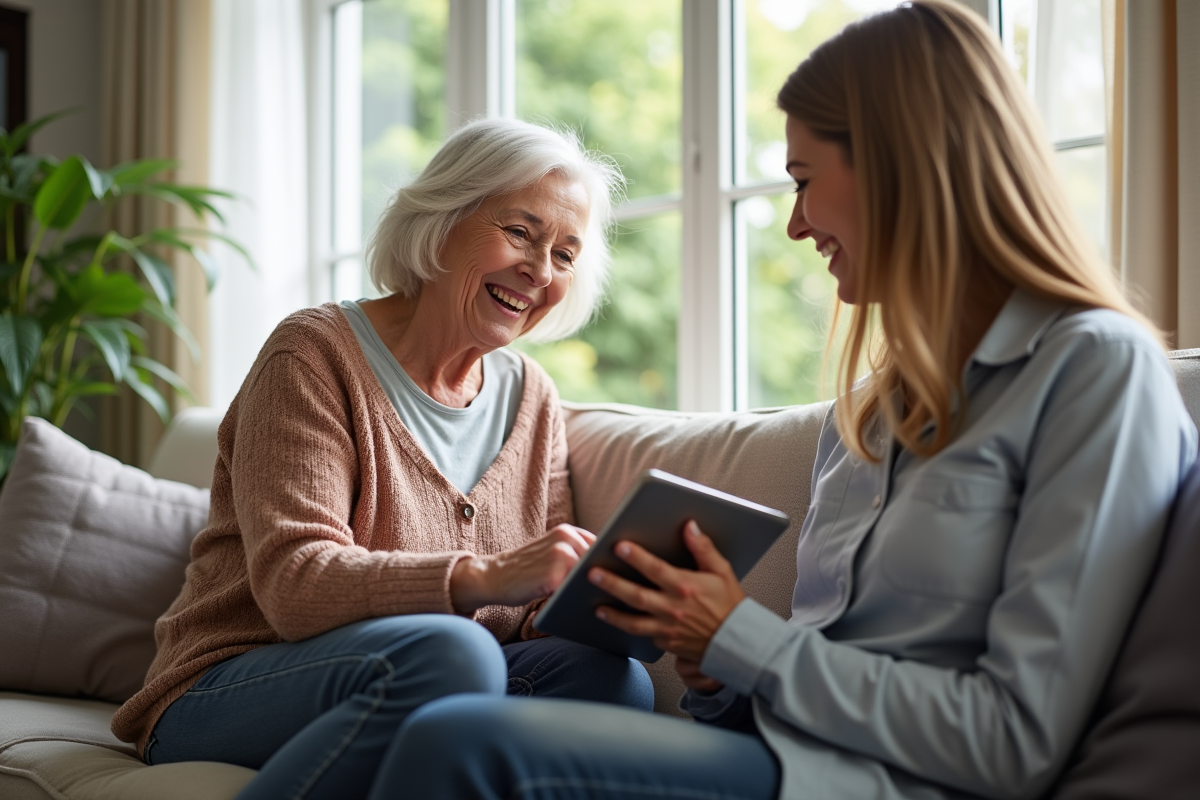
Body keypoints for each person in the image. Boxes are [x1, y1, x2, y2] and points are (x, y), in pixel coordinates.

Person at [381, 3, 1198, 799]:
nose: (796, 226)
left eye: (806, 181)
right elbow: (812, 667)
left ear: (896, 165)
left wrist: (742, 637)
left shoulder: (1092, 368)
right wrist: (715, 671)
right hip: (780, 758)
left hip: (879, 783)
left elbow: (1013, 742)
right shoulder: (877, 412)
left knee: (461, 743)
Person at [110, 118, 653, 800]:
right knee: (454, 654)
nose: (540, 270)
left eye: (565, 255)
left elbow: (522, 609)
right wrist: (488, 574)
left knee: (609, 680)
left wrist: (580, 601)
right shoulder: (312, 352)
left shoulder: (532, 397)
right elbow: (295, 589)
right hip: (237, 680)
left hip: (437, 674)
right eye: (520, 232)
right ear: (440, 220)